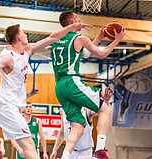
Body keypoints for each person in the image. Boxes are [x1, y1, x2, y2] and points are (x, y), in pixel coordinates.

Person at [0, 22, 91, 159]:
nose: (26, 35)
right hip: (6, 104)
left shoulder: (27, 50)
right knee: (29, 144)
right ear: (18, 37)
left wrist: (70, 28)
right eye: (23, 33)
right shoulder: (8, 57)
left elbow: (53, 38)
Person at [50, 10, 125, 159]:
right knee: (105, 110)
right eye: (77, 18)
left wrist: (99, 37)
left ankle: (65, 156)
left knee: (77, 125)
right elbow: (101, 54)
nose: (79, 20)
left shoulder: (56, 39)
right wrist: (117, 40)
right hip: (72, 82)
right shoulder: (79, 37)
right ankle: (99, 150)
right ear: (72, 22)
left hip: (59, 86)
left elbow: (84, 53)